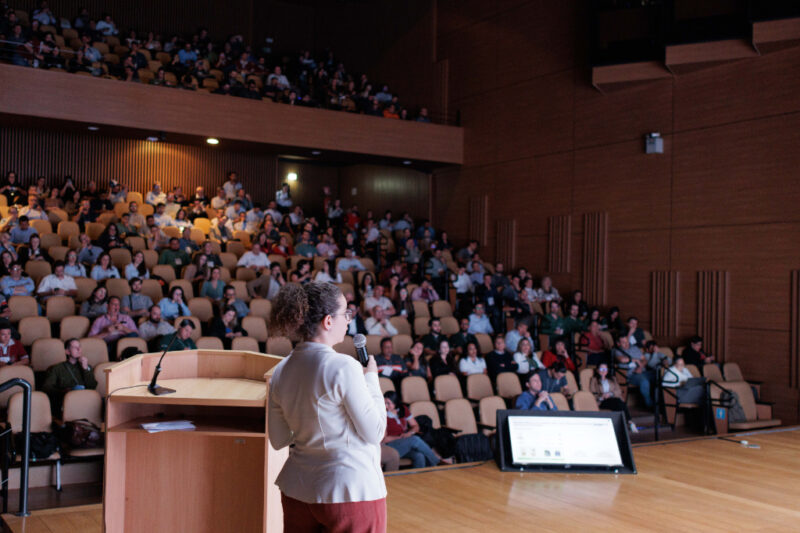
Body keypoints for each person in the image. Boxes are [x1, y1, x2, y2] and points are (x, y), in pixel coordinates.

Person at [267, 281, 387, 531]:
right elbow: (374, 432)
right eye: (346, 313)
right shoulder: (344, 367)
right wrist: (371, 378)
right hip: (349, 490)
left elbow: (278, 440)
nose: (348, 321)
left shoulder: (280, 370)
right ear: (328, 321)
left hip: (297, 490)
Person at [382, 391, 451, 468]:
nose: (386, 406)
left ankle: (421, 478)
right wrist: (400, 437)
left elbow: (415, 426)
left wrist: (410, 433)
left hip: (405, 443)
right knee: (415, 440)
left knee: (419, 456)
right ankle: (437, 462)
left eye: (388, 403)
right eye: (384, 403)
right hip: (391, 446)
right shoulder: (382, 415)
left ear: (396, 402)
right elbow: (384, 439)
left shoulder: (403, 409)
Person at [41, 338, 97, 416]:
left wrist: (85, 369)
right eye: (75, 347)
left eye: (79, 346)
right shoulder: (57, 368)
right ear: (67, 351)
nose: (79, 349)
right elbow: (46, 388)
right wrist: (64, 391)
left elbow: (92, 386)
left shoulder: (87, 367)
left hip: (85, 401)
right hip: (66, 402)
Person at [589, 363, 636, 433]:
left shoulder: (612, 379)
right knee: (619, 403)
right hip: (602, 401)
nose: (603, 371)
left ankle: (625, 424)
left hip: (613, 398)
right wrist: (601, 396)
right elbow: (592, 392)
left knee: (619, 404)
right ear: (597, 370)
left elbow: (618, 391)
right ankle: (630, 422)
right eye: (601, 369)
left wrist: (610, 394)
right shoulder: (594, 380)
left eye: (605, 369)